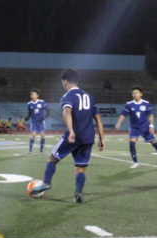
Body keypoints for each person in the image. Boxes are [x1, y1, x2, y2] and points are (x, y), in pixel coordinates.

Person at [29, 69, 105, 203]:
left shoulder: (67, 96)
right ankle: (78, 192)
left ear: (65, 82)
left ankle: (46, 183)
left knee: (53, 158)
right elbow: (98, 119)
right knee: (80, 167)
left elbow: (67, 112)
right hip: (88, 137)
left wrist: (71, 131)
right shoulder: (90, 97)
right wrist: (101, 138)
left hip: (73, 135)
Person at [114, 86, 157, 168]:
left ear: (141, 94)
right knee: (132, 143)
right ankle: (135, 162)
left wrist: (151, 125)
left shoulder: (146, 103)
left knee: (154, 143)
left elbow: (151, 115)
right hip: (134, 128)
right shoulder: (129, 104)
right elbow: (122, 115)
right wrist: (118, 123)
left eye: (137, 93)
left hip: (145, 127)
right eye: (133, 93)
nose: (135, 94)